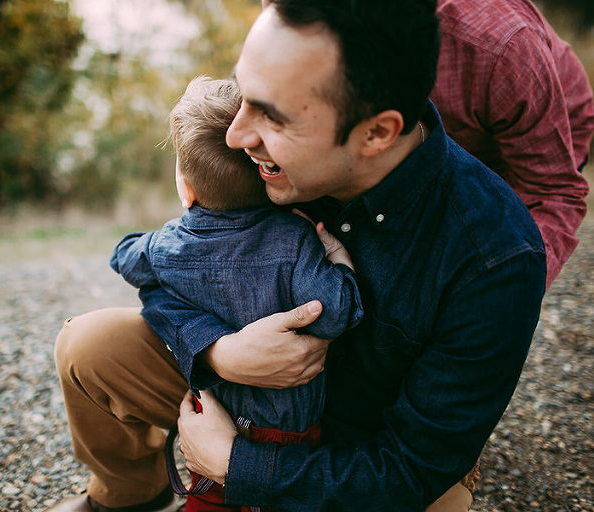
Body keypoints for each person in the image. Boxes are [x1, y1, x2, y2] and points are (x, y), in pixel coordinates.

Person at [46, 1, 547, 511]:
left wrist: (232, 464)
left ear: (376, 133)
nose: (236, 136)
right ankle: (129, 495)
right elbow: (172, 275)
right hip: (246, 397)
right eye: (245, 96)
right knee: (90, 346)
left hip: (364, 450)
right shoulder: (265, 158)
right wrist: (218, 352)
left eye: (271, 117)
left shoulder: (496, 257)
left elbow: (409, 468)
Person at [110, 75, 363, 511]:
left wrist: (169, 232)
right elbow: (338, 313)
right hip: (292, 431)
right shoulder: (296, 239)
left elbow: (124, 258)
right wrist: (338, 258)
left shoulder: (170, 245)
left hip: (214, 420)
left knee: (209, 500)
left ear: (187, 188)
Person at [431, 0, 594, 289]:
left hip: (544, 121)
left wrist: (509, 297)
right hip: (455, 129)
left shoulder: (502, 44)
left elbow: (550, 191)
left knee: (496, 247)